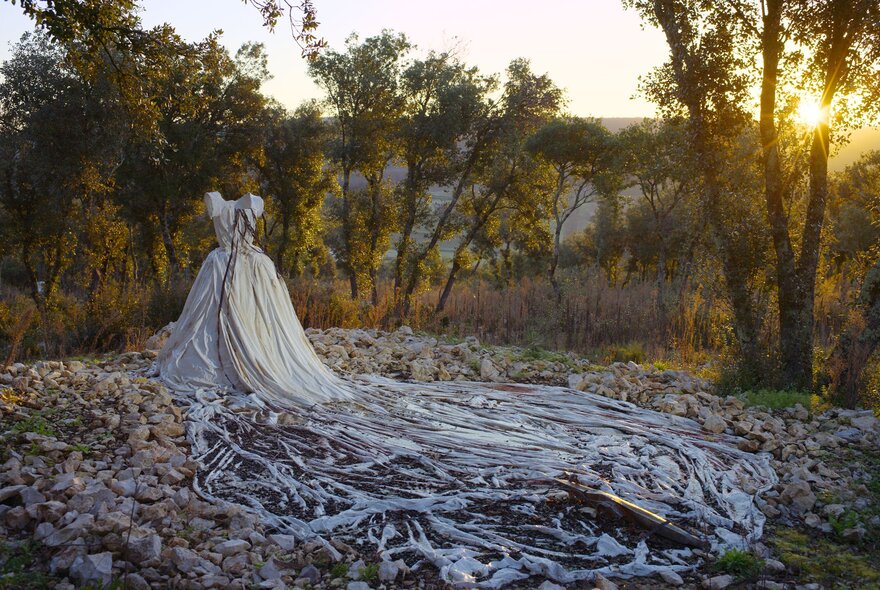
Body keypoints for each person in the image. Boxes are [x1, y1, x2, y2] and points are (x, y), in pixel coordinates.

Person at [157, 191, 776, 586]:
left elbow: (207, 322)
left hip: (248, 364)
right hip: (267, 358)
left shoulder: (231, 263)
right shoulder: (254, 263)